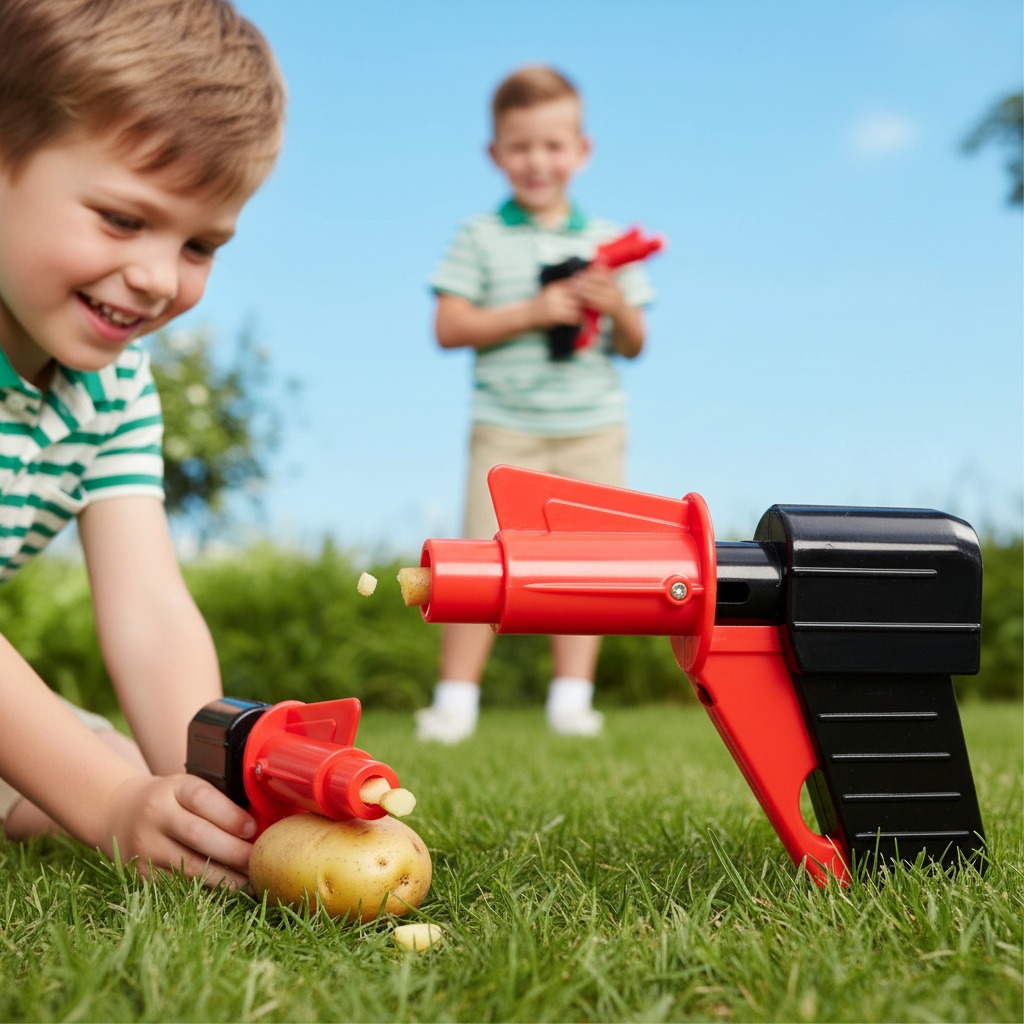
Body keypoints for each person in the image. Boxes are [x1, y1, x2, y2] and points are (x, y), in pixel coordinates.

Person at [0, 0, 285, 889]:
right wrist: (112, 805)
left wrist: (207, 782)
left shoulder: (114, 390)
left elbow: (147, 609)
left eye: (200, 243)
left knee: (109, 753)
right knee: (93, 775)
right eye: (123, 220)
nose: (160, 278)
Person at [416, 66, 655, 744]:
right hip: (505, 427)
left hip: (592, 427)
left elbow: (636, 345)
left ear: (582, 151)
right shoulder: (478, 237)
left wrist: (616, 310)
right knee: (476, 558)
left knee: (590, 564)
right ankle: (455, 700)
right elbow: (449, 326)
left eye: (554, 145)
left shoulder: (611, 245)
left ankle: (571, 698)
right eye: (521, 147)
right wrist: (534, 311)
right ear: (496, 155)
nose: (538, 161)